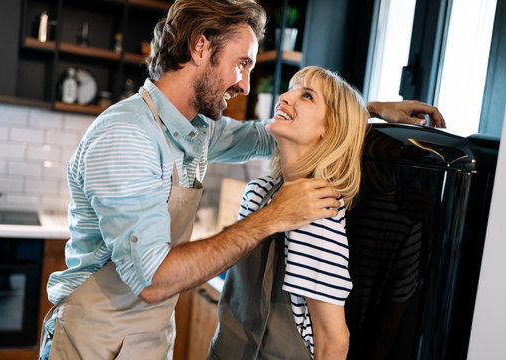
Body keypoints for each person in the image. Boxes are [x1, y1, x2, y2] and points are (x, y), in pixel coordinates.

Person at [39, 0, 445, 359]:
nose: (245, 83)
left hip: (145, 339)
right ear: (201, 47)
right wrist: (272, 217)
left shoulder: (193, 129)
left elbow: (271, 131)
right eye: (242, 63)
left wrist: (365, 108)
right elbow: (153, 280)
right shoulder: (128, 136)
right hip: (93, 340)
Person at [208, 66, 368, 360]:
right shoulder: (259, 192)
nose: (286, 96)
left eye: (306, 95)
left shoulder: (318, 214)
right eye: (292, 88)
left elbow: (334, 341)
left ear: (329, 130)